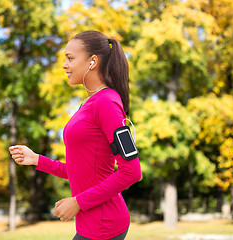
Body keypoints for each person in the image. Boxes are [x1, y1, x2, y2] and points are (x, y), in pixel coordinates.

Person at [9, 30, 141, 240]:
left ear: (92, 61)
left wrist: (78, 202)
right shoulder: (90, 103)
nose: (64, 65)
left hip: (105, 227)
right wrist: (36, 160)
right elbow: (81, 171)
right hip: (90, 227)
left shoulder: (107, 103)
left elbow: (131, 172)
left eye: (70, 58)